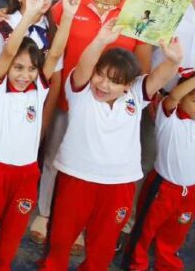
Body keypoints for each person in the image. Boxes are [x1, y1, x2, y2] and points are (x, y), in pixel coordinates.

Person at [30, 0, 152, 247]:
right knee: (54, 155)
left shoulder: (141, 10)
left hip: (113, 106)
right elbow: (54, 48)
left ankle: (84, 225)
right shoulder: (71, 1)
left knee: (96, 166)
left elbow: (144, 65)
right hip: (69, 97)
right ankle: (45, 212)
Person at [40, 19, 182, 270]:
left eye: (114, 81)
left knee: (102, 249)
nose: (103, 85)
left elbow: (159, 77)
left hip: (119, 185)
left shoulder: (136, 95)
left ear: (128, 84)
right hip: (76, 178)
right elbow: (84, 65)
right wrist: (100, 41)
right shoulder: (81, 90)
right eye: (101, 75)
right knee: (59, 243)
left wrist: (173, 60)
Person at [0, 0, 76, 271]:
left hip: (26, 175)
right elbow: (10, 50)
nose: (25, 75)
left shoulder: (38, 89)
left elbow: (56, 53)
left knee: (13, 234)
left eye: (31, 69)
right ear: (7, 67)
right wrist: (28, 15)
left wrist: (69, 16)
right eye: (18, 68)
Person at [123, 74, 195, 271]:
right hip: (163, 187)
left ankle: (167, 262)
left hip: (189, 193)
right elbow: (173, 96)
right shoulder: (169, 116)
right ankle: (136, 262)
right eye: (194, 100)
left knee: (176, 231)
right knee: (146, 228)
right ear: (181, 100)